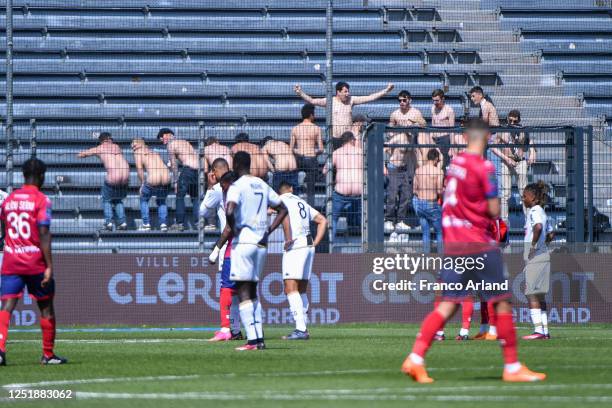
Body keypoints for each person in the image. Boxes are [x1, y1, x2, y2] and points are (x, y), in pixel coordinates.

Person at [401, 119, 546, 383]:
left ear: (465, 136)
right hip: (477, 242)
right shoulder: (485, 166)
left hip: (454, 242)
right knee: (501, 301)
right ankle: (512, 366)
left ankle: (416, 357)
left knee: (447, 304)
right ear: (488, 136)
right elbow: (493, 210)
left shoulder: (454, 164)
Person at [0, 158, 67, 366]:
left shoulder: (9, 200)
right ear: (42, 176)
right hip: (34, 261)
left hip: (11, 259)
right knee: (46, 306)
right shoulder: (41, 200)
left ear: (23, 175)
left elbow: (3, 225)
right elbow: (44, 233)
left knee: (6, 306)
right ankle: (48, 354)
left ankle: (0, 351)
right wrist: (49, 266)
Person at [225, 152, 289, 351]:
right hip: (261, 244)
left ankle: (252, 341)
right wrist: (269, 230)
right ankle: (259, 338)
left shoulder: (237, 186)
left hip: (244, 243)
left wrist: (234, 228)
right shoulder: (262, 184)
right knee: (253, 292)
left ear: (235, 164)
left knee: (243, 291)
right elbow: (283, 208)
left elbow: (229, 210)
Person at [277, 181, 328, 340]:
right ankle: (303, 327)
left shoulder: (280, 200)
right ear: (291, 189)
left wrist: (288, 238)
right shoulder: (302, 202)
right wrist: (316, 242)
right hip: (308, 245)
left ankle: (300, 329)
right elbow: (322, 220)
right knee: (301, 289)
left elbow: (277, 212)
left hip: (296, 245)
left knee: (290, 287)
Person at [202, 165, 243, 342]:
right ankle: (240, 330)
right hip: (254, 247)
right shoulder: (253, 190)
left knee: (226, 288)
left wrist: (216, 249)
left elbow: (228, 227)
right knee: (245, 290)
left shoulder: (232, 198)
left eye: (224, 187)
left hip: (234, 247)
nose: (223, 191)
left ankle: (226, 328)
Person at [294, 81, 394, 149]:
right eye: (345, 91)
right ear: (338, 92)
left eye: (348, 91)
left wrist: (386, 90)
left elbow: (369, 98)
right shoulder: (330, 101)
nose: (347, 94)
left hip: (348, 138)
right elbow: (312, 100)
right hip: (335, 139)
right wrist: (300, 93)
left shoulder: (351, 100)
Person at [385, 91, 423, 233]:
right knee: (392, 193)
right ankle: (389, 219)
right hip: (395, 165)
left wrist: (414, 124)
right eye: (400, 100)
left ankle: (400, 220)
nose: (402, 102)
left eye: (404, 100)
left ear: (409, 100)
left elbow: (423, 125)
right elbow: (389, 131)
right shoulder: (395, 114)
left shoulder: (415, 113)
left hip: (408, 164)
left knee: (406, 195)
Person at [522, 182, 554, 340]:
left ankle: (538, 331)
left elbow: (539, 228)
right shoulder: (543, 211)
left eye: (525, 196)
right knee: (540, 295)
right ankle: (545, 330)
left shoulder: (534, 211)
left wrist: (533, 246)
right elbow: (551, 234)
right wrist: (543, 245)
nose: (523, 199)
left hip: (535, 257)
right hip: (543, 256)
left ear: (533, 198)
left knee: (532, 294)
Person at [77, 132, 129, 231]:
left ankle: (108, 222)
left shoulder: (99, 148)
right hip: (126, 178)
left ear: (101, 141)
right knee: (118, 200)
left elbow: (81, 155)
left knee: (107, 200)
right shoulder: (117, 147)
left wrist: (82, 154)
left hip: (113, 178)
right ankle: (122, 223)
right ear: (110, 139)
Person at [322, 131, 362, 242]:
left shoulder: (336, 153)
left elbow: (325, 170)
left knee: (333, 219)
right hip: (358, 193)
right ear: (352, 140)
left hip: (341, 191)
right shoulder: (361, 152)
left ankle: (330, 244)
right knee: (363, 220)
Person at [498, 110, 537, 223]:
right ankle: (504, 222)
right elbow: (494, 147)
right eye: (510, 120)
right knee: (505, 194)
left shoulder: (523, 130)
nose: (512, 122)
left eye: (515, 120)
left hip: (520, 162)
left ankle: (529, 221)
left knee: (524, 192)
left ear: (519, 120)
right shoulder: (503, 131)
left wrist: (532, 152)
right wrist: (506, 158)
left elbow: (530, 142)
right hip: (506, 163)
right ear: (507, 119)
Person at [158, 128, 199, 231]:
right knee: (195, 198)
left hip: (188, 170)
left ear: (167, 135)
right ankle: (199, 222)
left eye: (162, 138)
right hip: (198, 170)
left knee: (180, 196)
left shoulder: (171, 145)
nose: (162, 141)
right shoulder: (185, 142)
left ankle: (180, 223)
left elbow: (174, 164)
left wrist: (176, 181)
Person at [131, 138, 171, 232]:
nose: (133, 147)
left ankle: (146, 224)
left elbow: (139, 169)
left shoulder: (138, 152)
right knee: (161, 201)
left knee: (143, 198)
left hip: (153, 179)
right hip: (167, 179)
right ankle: (163, 224)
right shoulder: (154, 152)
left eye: (134, 145)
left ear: (140, 143)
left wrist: (142, 184)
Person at [290, 104, 324, 206]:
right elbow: (321, 149)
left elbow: (291, 148)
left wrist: (300, 152)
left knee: (294, 182)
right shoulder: (316, 128)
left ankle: (294, 201)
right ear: (311, 115)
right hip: (311, 158)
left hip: (299, 159)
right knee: (311, 188)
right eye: (314, 114)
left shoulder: (295, 129)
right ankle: (310, 207)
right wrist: (314, 152)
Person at [412, 149, 444, 253]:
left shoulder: (418, 171)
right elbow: (439, 190)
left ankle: (426, 258)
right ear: (436, 159)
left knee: (425, 232)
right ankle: (441, 259)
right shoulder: (438, 172)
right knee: (439, 231)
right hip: (431, 204)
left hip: (419, 204)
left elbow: (414, 190)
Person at [430, 89, 456, 169]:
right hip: (434, 140)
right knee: (434, 164)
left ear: (443, 99)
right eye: (433, 100)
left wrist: (452, 147)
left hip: (445, 140)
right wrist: (431, 138)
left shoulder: (449, 110)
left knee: (443, 164)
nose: (435, 103)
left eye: (437, 100)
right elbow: (433, 124)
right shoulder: (433, 108)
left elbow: (452, 130)